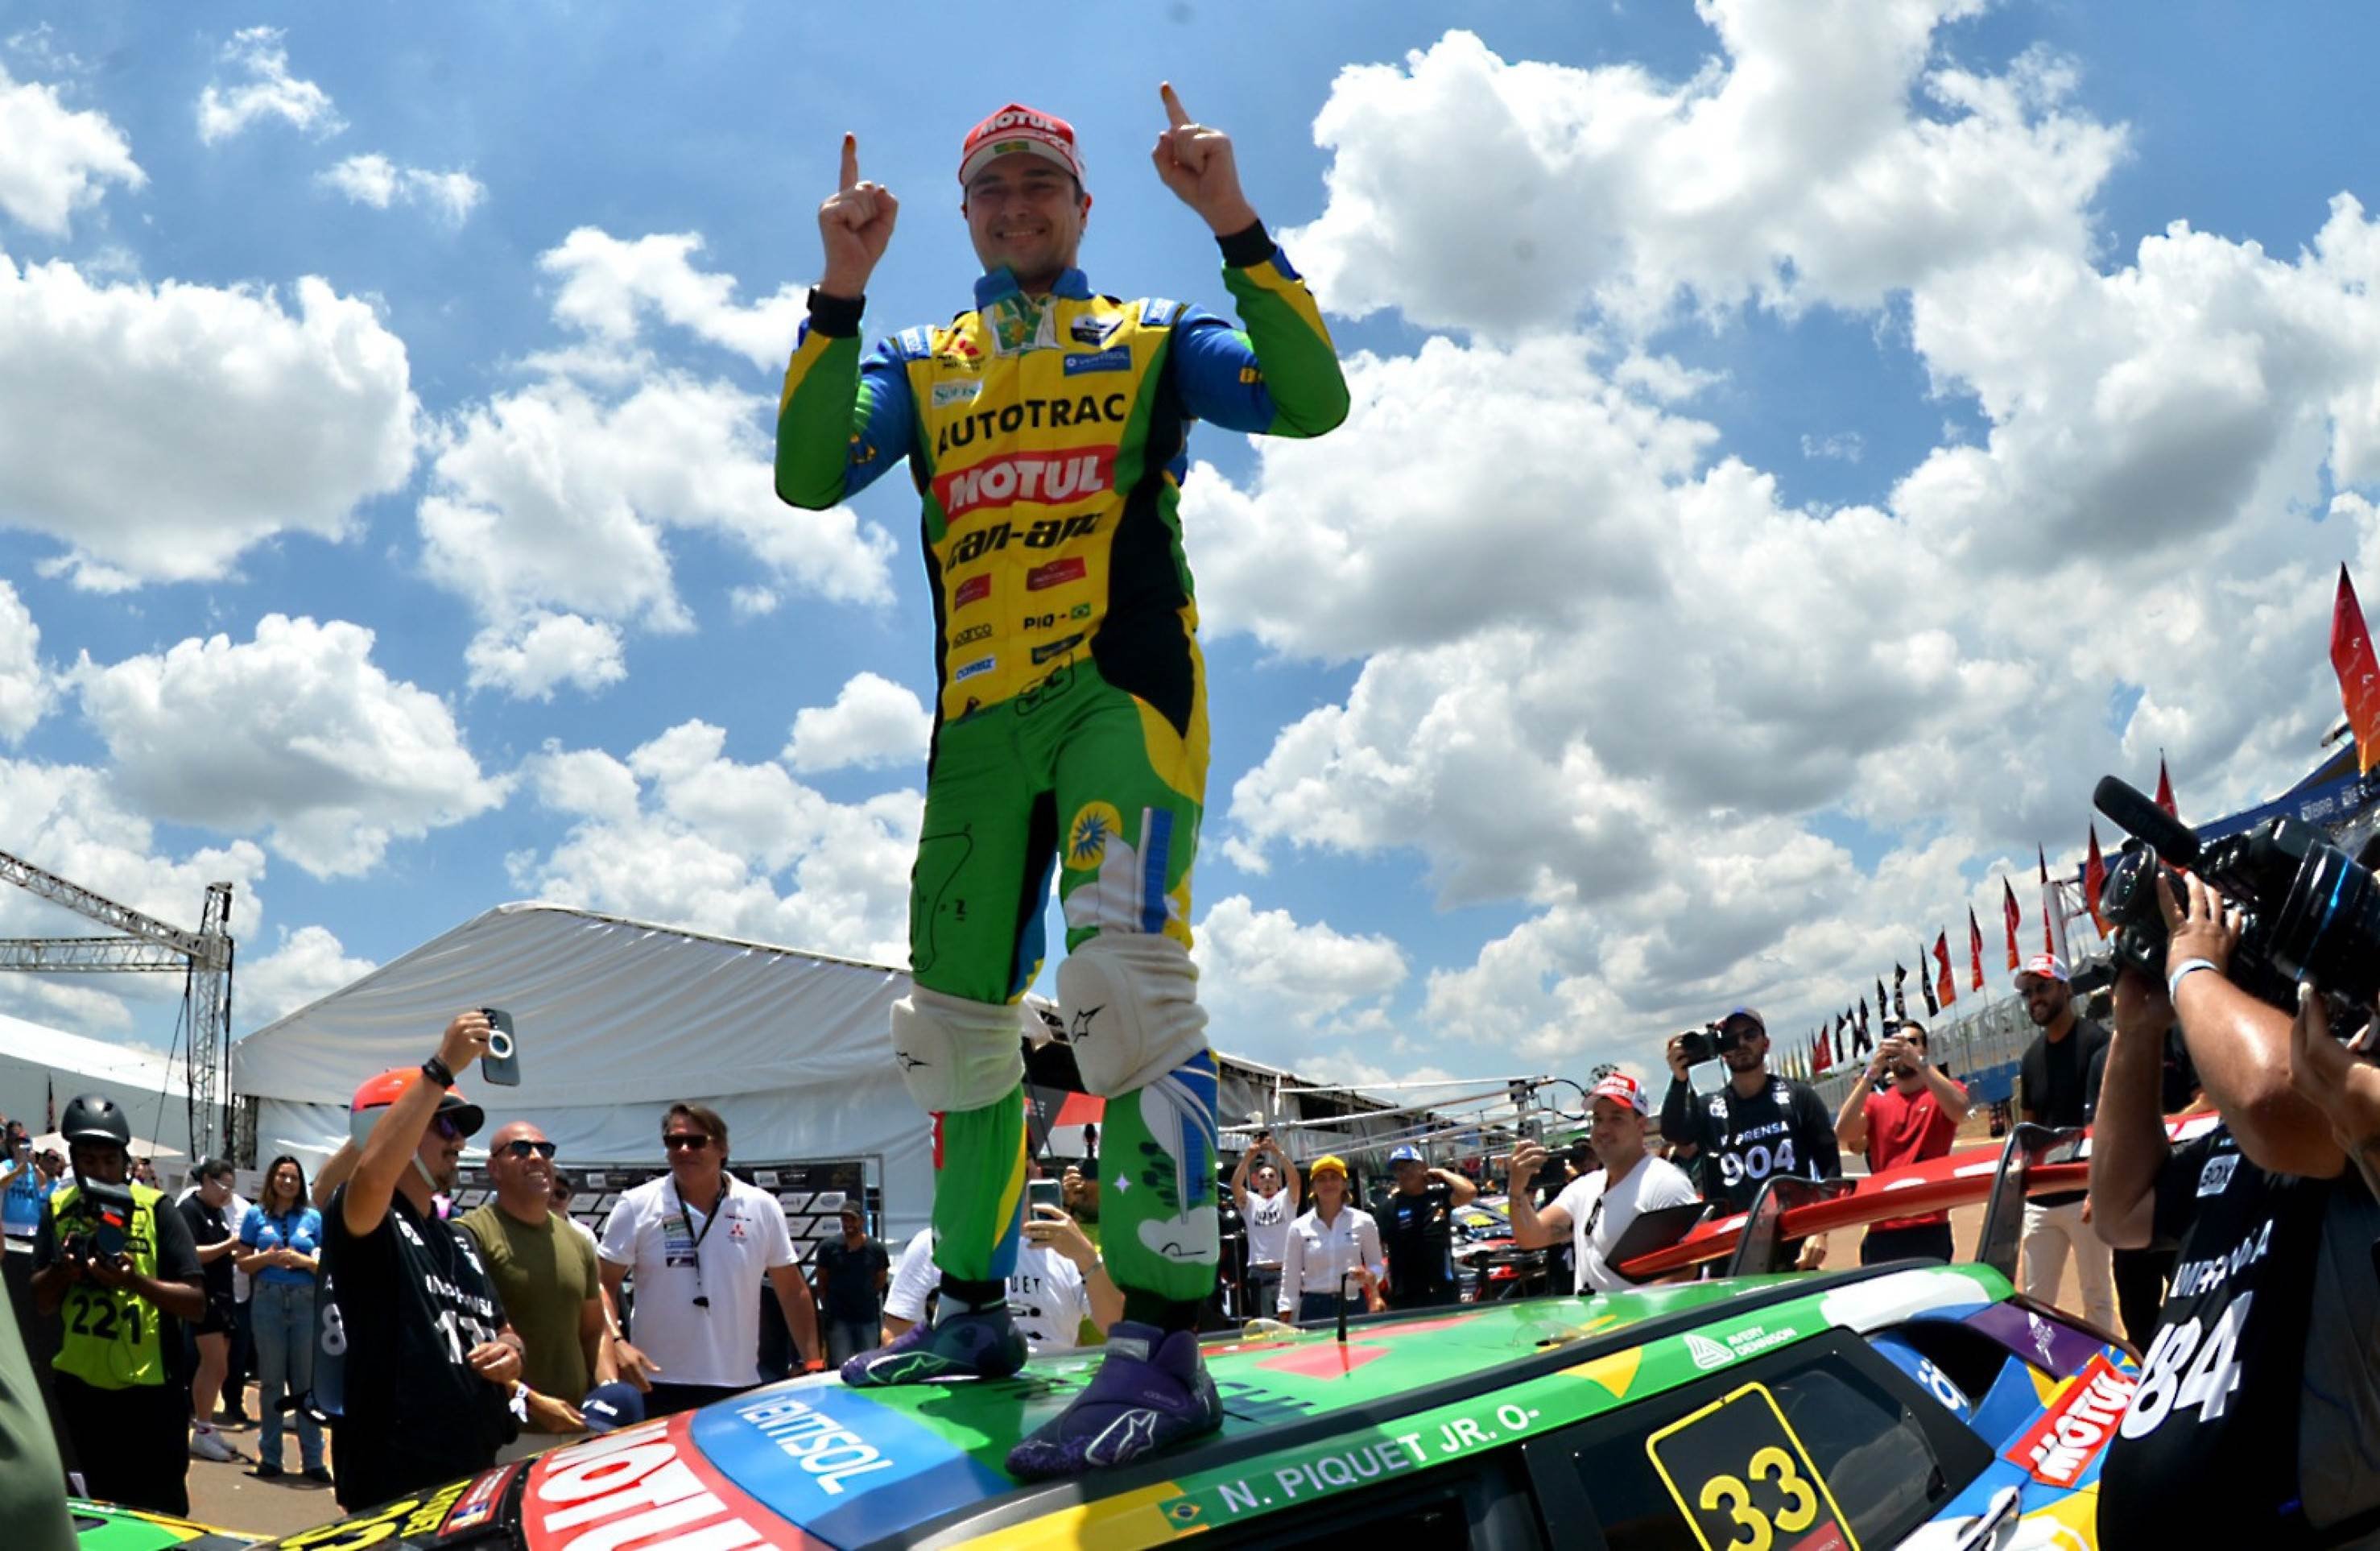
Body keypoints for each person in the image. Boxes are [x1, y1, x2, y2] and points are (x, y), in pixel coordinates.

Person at [776, 89, 1349, 1479]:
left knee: (1122, 987)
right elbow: (805, 477)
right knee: (954, 1025)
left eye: (1042, 185)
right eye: (993, 189)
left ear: (1082, 207)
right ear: (966, 214)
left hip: (1117, 693)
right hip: (975, 721)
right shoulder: (919, 359)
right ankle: (971, 1311)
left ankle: (1161, 1341)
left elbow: (1312, 402)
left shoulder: (1152, 336)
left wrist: (1231, 218)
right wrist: (839, 293)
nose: (1018, 206)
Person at [2089, 874, 2380, 1546]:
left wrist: (2193, 964)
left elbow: (2265, 1098)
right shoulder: (2236, 1141)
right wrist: (2135, 1032)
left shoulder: (2355, 1108)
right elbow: (2121, 1209)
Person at [321, 1016, 525, 1512]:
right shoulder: (370, 1220)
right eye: (445, 1123)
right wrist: (438, 1069)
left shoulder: (459, 1240)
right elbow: (369, 1177)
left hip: (471, 1468)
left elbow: (504, 1326)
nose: (459, 1142)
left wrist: (511, 1351)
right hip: (395, 1476)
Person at [29, 1093, 204, 1515]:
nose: (100, 1171)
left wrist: (135, 1281)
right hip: (80, 1390)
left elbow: (196, 1302)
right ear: (73, 1160)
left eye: (110, 1161)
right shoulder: (58, 1207)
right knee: (95, 1512)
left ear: (126, 1161)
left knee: (160, 1512)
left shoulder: (157, 1209)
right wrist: (64, 1271)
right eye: (88, 1161)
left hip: (149, 1395)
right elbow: (41, 1301)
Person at [597, 1103, 821, 1417]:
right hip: (656, 1381)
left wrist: (813, 1363)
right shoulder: (636, 1205)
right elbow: (600, 1283)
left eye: (696, 1141)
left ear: (722, 1148)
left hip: (738, 1381)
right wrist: (618, 1341)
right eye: (674, 1142)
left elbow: (792, 1291)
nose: (684, 1150)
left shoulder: (761, 1206)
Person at [457, 1123, 605, 1445]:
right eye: (521, 1150)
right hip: (509, 1433)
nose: (537, 1157)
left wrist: (606, 1398)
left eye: (545, 1150)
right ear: (493, 1168)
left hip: (577, 1425)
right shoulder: (470, 1236)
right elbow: (463, 1346)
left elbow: (593, 1330)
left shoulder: (577, 1241)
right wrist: (532, 1402)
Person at [1659, 1007, 1841, 1267]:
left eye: (1750, 1035)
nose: (1742, 1044)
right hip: (1734, 1250)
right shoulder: (1709, 1108)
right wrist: (1679, 1079)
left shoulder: (1798, 1097)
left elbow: (1830, 1168)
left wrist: (1820, 1231)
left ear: (1766, 1044)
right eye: (1731, 1039)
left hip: (1794, 1244)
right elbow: (1674, 1132)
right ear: (1721, 1051)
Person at [1507, 1074, 1700, 1293]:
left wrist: (1634, 1312)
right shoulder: (1585, 1187)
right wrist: (1517, 1189)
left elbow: (1686, 1270)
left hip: (1638, 1324)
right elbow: (1531, 1237)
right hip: (1594, 1323)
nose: (1603, 1129)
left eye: (1616, 1118)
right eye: (1598, 1119)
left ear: (1641, 1125)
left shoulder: (1665, 1182)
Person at [2085, 1001, 2204, 1349]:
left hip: (2179, 1199)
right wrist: (2097, 1188)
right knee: (2138, 1322)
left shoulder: (2182, 1036)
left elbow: (2207, 1100)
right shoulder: (2101, 1060)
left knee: (2194, 1309)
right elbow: (2099, 1133)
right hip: (2129, 1205)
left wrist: (2144, 1139)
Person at [2013, 953, 2118, 1331]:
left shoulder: (2096, 1044)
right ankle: (2045, 1377)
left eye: (2042, 988)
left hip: (2086, 1194)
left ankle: (2112, 1373)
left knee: (2097, 1296)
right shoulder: (2030, 1059)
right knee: (2036, 1304)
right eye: (2028, 993)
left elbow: (2112, 1120)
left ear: (2065, 989)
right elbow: (2029, 1130)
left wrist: (2100, 1184)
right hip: (2042, 1201)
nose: (2035, 998)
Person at [1833, 1020, 1971, 1265]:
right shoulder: (1878, 1102)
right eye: (1897, 1043)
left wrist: (1919, 1063)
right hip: (1883, 1229)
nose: (1903, 1048)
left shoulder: (1941, 1094)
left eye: (1912, 1042)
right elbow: (1843, 1133)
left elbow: (1960, 1110)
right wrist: (1870, 1074)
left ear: (1924, 1050)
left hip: (1930, 1226)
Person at [235, 1154, 326, 1482]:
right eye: (282, 1176)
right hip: (268, 1299)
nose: (287, 1182)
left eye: (294, 1177)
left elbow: (328, 1266)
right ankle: (270, 1457)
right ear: (272, 1179)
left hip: (304, 1302)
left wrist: (303, 1261)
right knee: (271, 1381)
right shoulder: (255, 1216)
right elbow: (242, 1263)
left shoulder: (314, 1218)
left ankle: (313, 1461)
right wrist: (267, 1258)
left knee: (305, 1383)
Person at [174, 1158, 242, 1463]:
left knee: (220, 1366)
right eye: (222, 1185)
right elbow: (192, 1254)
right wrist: (229, 1245)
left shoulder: (219, 1212)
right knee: (214, 1364)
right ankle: (201, 1431)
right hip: (205, 1297)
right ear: (206, 1181)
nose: (227, 1192)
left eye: (231, 1186)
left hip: (225, 1296)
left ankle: (206, 1424)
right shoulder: (189, 1209)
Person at [1276, 1157, 1383, 1323]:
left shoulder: (1364, 1221)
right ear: (1313, 1186)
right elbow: (1291, 1273)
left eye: (1334, 1177)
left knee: (1357, 1349)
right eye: (1322, 1179)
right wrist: (1286, 1309)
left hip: (1353, 1302)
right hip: (1314, 1306)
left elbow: (1377, 1264)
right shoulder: (1298, 1227)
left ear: (1344, 1184)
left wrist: (1369, 1275)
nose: (1328, 1184)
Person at [1374, 1144, 1477, 1310]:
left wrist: (1442, 1173)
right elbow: (1375, 1250)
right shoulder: (1388, 1207)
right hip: (1406, 1296)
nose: (1404, 1173)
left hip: (1443, 1291)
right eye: (1398, 1169)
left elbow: (1469, 1192)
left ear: (1422, 1167)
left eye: (1409, 1166)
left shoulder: (1439, 1197)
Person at [809, 1205, 891, 1367]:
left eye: (852, 1219)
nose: (848, 1224)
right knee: (840, 1367)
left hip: (867, 1318)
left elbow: (881, 1280)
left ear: (862, 1220)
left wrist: (866, 1295)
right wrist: (829, 1307)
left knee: (869, 1365)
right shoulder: (828, 1247)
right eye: (844, 1219)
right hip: (839, 1320)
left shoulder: (876, 1249)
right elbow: (822, 1282)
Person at [1229, 1135, 1299, 1321]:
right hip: (1258, 1273)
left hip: (1285, 1271)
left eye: (1271, 1176)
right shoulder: (1251, 1202)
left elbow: (1294, 1179)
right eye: (1262, 1177)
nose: (1267, 1179)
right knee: (1264, 1329)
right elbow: (1235, 1186)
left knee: (1291, 1325)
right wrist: (1248, 1157)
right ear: (1255, 1182)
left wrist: (1277, 1153)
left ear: (1278, 1181)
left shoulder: (1287, 1199)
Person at [548, 1170, 600, 1255]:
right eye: (548, 1193)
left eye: (561, 1194)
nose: (553, 1199)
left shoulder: (584, 1235)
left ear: (570, 1197)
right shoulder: (523, 1233)